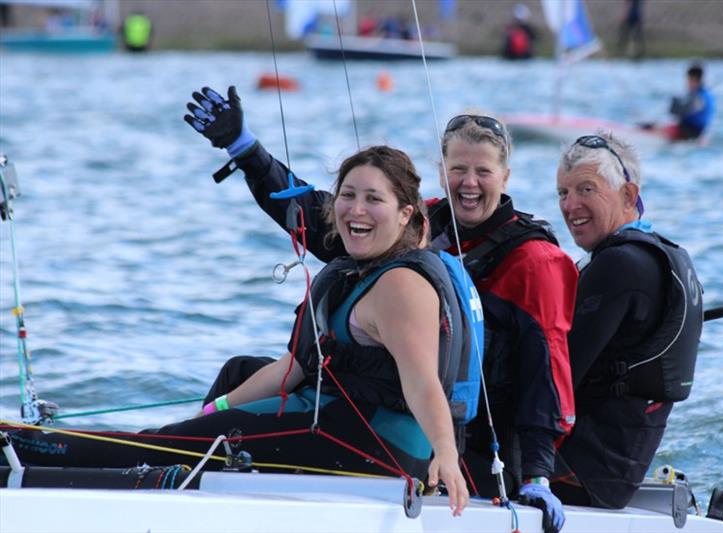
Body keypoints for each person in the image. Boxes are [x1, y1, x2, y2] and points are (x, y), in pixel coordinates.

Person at [184, 86, 578, 533]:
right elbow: (322, 219)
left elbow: (548, 373)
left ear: (505, 177)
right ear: (441, 171)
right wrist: (248, 151)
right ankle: (203, 491)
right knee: (242, 371)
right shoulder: (421, 224)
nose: (469, 183)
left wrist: (538, 474)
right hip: (390, 405)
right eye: (458, 170)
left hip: (469, 442)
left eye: (483, 172)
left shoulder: (535, 262)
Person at [10, 144, 476, 516]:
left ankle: (19, 448)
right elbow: (293, 369)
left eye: (374, 199)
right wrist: (216, 409)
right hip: (332, 421)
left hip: (375, 447)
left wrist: (446, 457)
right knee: (172, 438)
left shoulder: (400, 285)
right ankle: (34, 453)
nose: (356, 208)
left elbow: (422, 382)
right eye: (348, 195)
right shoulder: (356, 271)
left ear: (406, 214)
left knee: (160, 448)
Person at [552, 131, 703, 509]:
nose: (571, 206)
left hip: (578, 474)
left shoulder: (618, 265)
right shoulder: (663, 256)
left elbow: (556, 382)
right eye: (563, 193)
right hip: (614, 472)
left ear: (628, 195)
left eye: (586, 189)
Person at [666, 63, 715, 140]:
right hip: (691, 131)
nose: (687, 83)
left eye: (689, 80)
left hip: (691, 133)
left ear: (694, 79)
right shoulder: (701, 94)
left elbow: (686, 111)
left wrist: (675, 105)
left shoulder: (700, 97)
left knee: (658, 129)